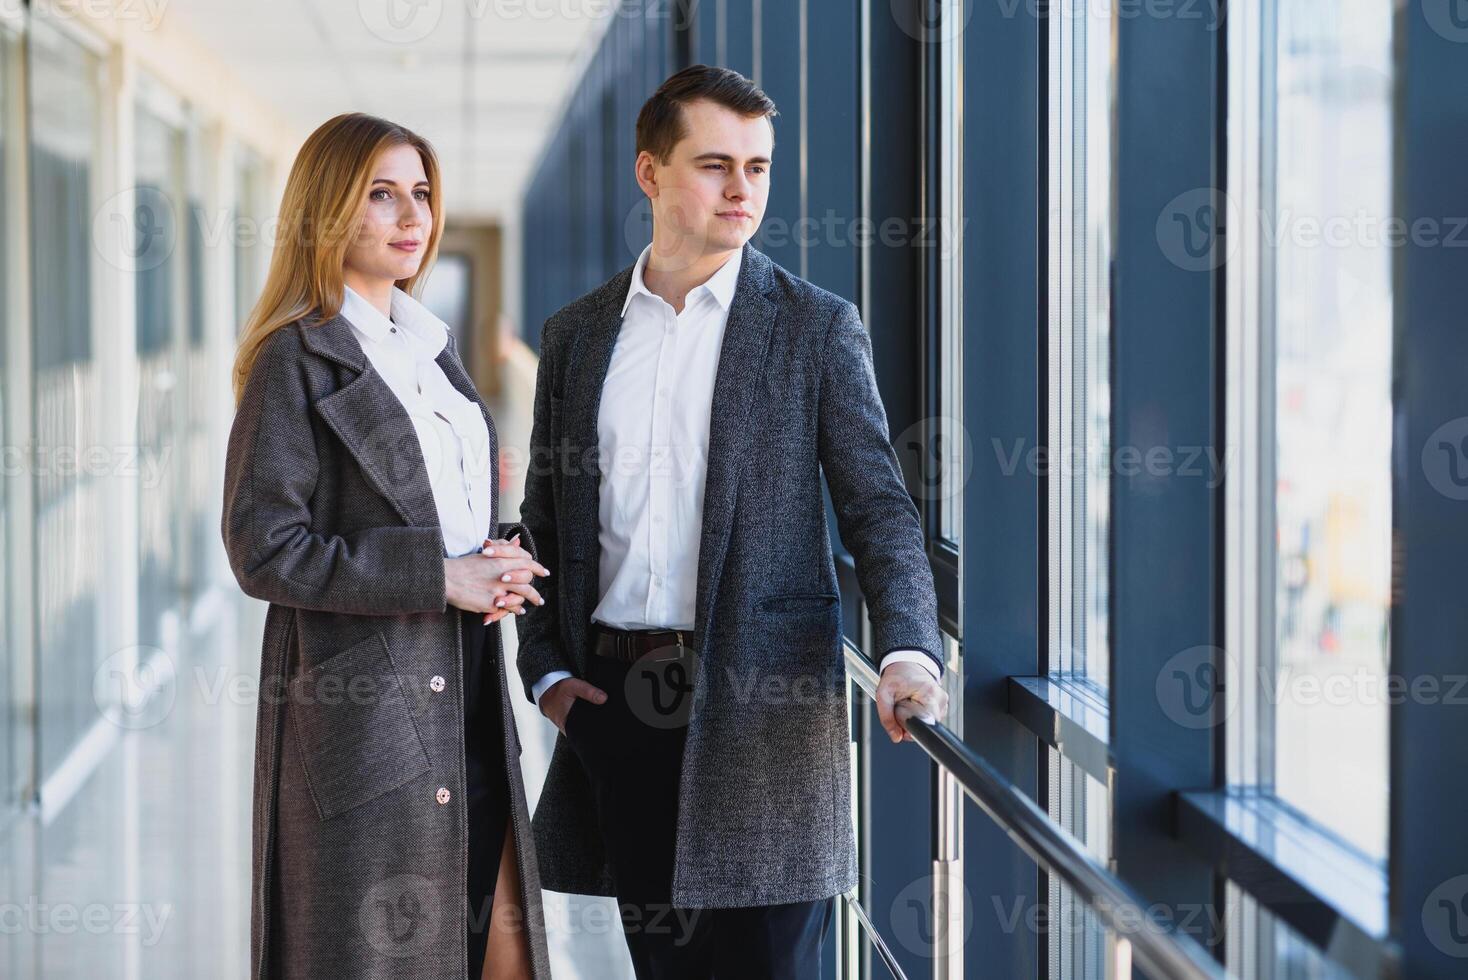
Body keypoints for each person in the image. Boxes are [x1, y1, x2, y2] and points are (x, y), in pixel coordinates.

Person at [516, 65, 950, 977]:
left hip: (767, 718)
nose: (742, 188)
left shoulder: (815, 328)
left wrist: (909, 647)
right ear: (650, 173)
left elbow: (879, 509)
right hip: (619, 707)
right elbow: (546, 525)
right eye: (716, 164)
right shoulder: (578, 337)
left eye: (758, 165)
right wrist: (549, 670)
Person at [222, 112, 551, 979]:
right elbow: (264, 547)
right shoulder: (294, 361)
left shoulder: (430, 351)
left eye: (422, 193)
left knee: (500, 946)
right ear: (330, 209)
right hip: (367, 713)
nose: (413, 215)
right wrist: (441, 578)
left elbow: (439, 514)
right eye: (381, 194)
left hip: (469, 690)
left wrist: (497, 556)